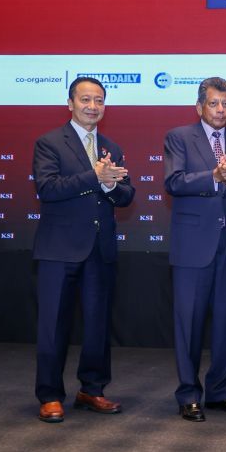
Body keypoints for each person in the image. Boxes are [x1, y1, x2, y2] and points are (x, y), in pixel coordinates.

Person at [32, 76, 135, 423]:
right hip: (58, 250)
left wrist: (111, 185)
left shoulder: (112, 145)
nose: (93, 106)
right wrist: (95, 176)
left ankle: (92, 389)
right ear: (70, 103)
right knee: (53, 326)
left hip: (99, 248)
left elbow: (127, 195)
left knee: (97, 325)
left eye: (99, 100)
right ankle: (49, 395)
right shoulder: (49, 143)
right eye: (86, 100)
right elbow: (48, 188)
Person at [164, 77, 226, 422]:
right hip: (193, 247)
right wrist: (214, 177)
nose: (221, 110)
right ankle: (188, 394)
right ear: (199, 106)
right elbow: (173, 182)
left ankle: (219, 390)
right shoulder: (179, 137)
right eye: (214, 103)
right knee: (188, 324)